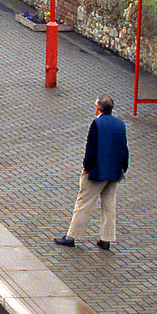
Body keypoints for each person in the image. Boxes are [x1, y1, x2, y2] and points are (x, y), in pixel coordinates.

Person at [55, 94, 129, 250]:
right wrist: (123, 168)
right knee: (109, 205)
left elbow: (91, 149)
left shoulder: (97, 124)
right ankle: (106, 239)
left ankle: (72, 236)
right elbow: (124, 149)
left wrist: (86, 167)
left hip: (97, 172)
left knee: (84, 202)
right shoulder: (120, 124)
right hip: (114, 172)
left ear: (98, 108)